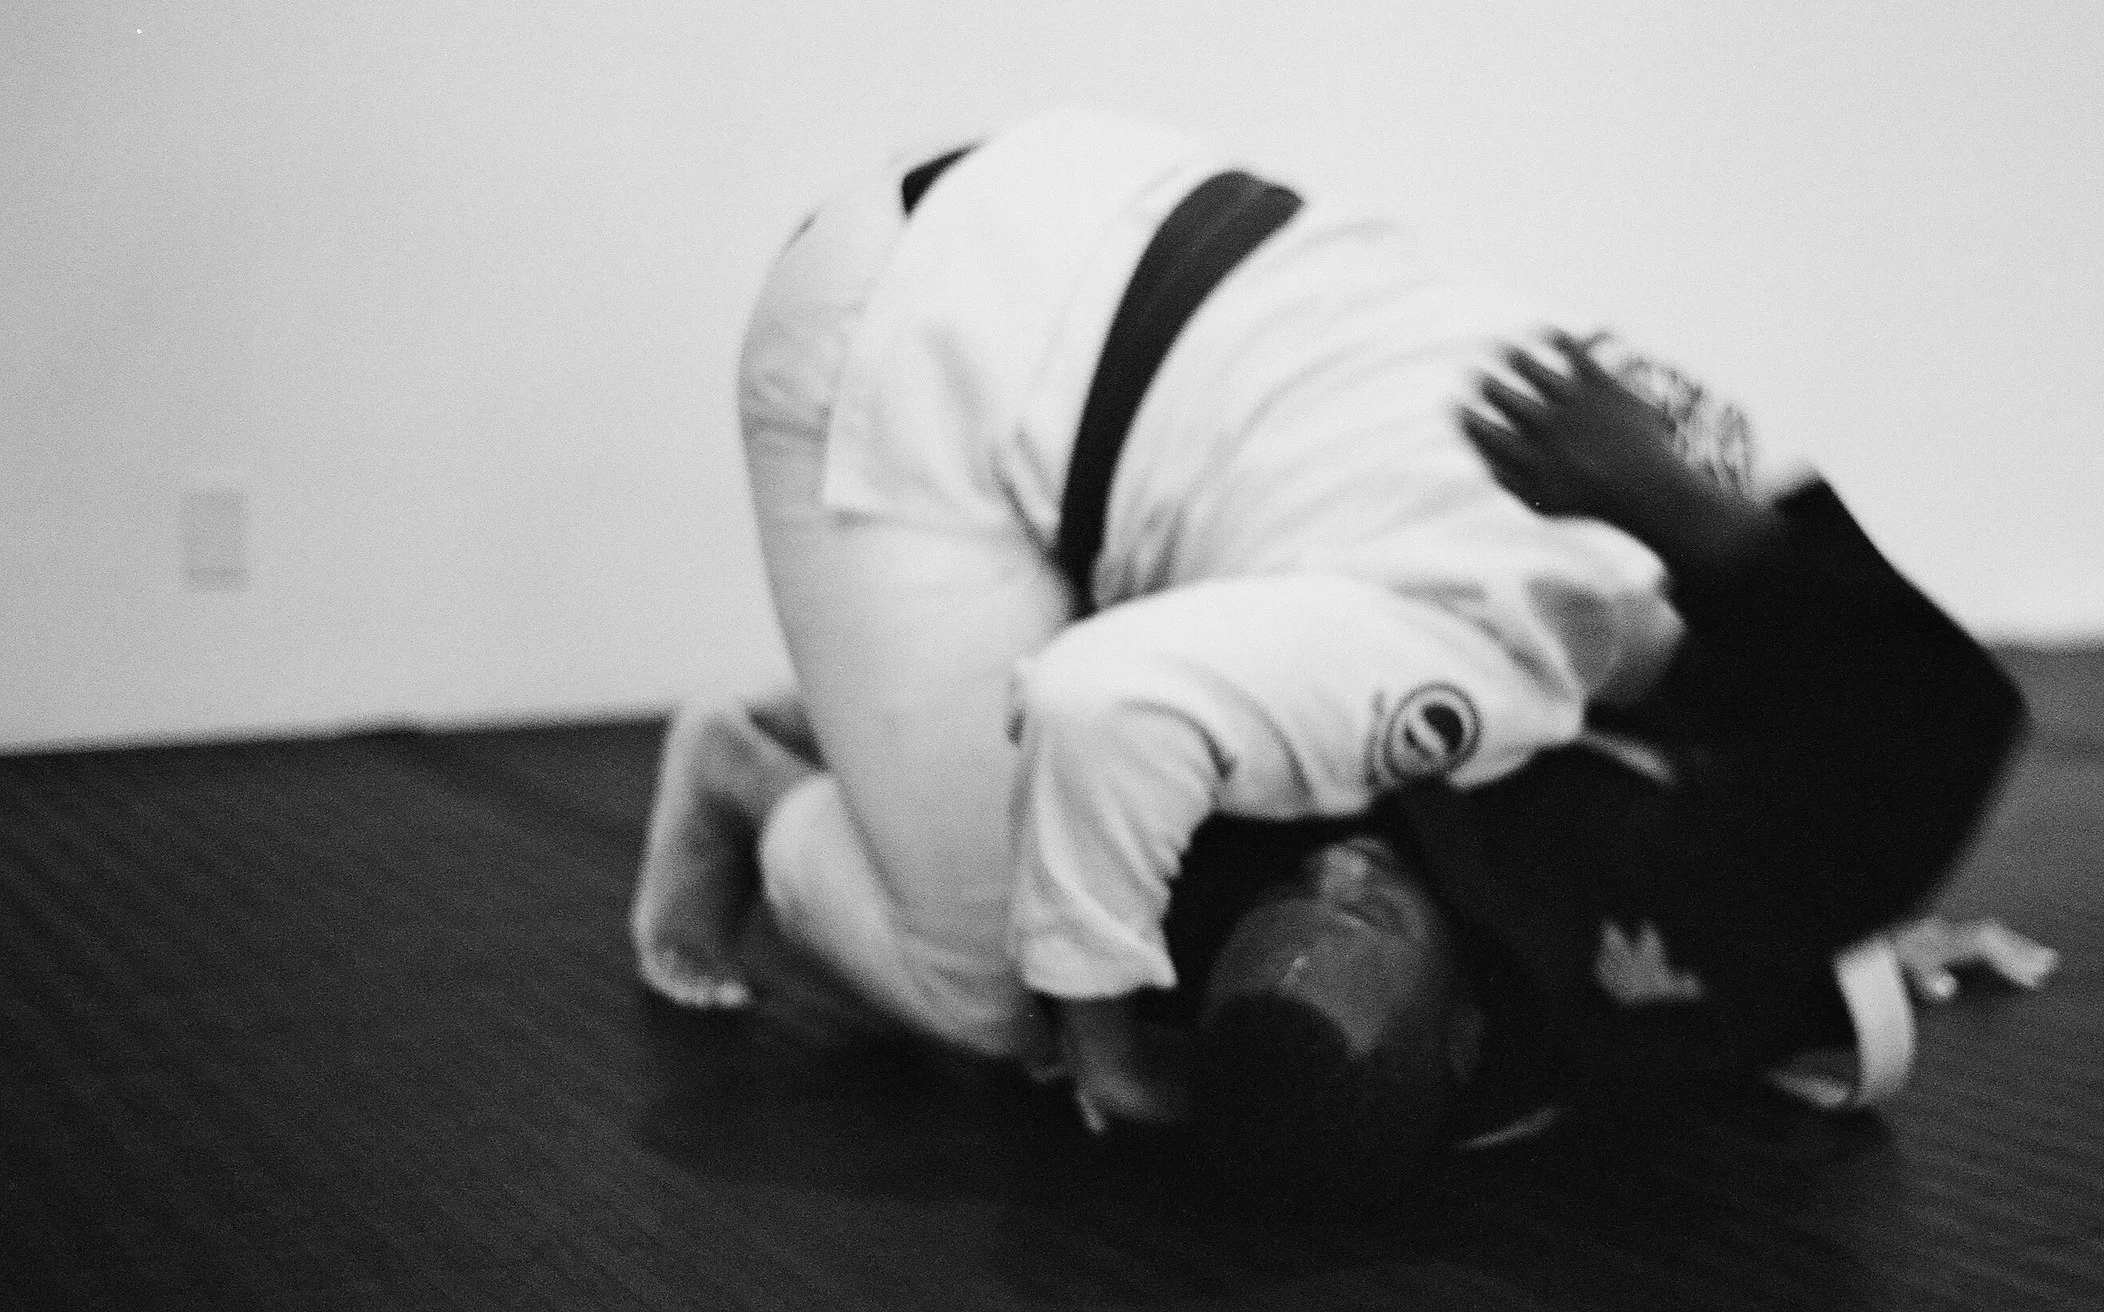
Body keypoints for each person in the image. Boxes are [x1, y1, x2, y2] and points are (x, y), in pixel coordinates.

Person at [633, 110, 1696, 1130]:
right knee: (992, 995)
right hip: (907, 339)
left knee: (1212, 724)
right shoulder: (1493, 653)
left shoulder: (1698, 470)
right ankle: (742, 778)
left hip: (1094, 210)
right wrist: (1106, 1051)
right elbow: (1098, 704)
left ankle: (865, 730)